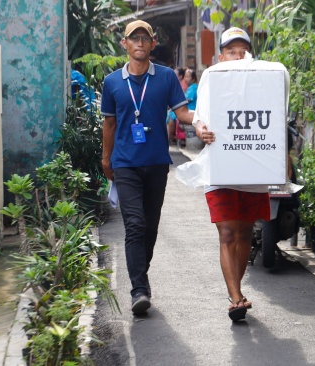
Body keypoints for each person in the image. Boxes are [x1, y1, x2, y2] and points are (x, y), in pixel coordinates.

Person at [101, 20, 193, 315]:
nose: (139, 43)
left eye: (145, 38)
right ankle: (139, 289)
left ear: (153, 43)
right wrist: (106, 159)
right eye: (134, 38)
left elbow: (183, 114)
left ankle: (140, 273)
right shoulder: (113, 82)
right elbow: (109, 123)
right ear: (124, 44)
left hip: (156, 163)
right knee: (136, 225)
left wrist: (205, 122)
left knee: (150, 228)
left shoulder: (166, 77)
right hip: (125, 163)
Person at [192, 27, 270, 321]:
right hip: (220, 169)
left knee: (246, 232)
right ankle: (236, 297)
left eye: (243, 51)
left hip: (252, 170)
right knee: (227, 232)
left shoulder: (263, 81)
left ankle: (236, 289)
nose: (237, 56)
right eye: (231, 51)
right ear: (220, 55)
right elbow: (199, 117)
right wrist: (201, 130)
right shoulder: (211, 80)